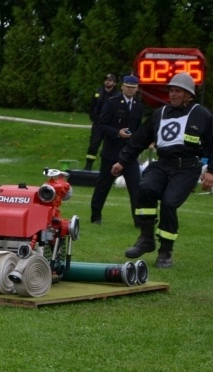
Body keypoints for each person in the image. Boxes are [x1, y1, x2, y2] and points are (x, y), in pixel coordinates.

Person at [112, 72, 213, 268]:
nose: (173, 95)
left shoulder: (202, 115)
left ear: (189, 95)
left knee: (169, 203)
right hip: (162, 164)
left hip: (187, 168)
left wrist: (211, 171)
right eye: (171, 91)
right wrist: (122, 161)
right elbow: (139, 139)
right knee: (145, 188)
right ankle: (146, 238)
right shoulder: (160, 113)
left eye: (178, 91)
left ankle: (166, 251)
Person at [90, 74, 144, 226]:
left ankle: (139, 220)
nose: (130, 90)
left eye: (133, 88)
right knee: (103, 186)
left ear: (137, 89)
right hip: (112, 152)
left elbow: (138, 128)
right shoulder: (112, 103)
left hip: (129, 154)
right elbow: (102, 125)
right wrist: (117, 132)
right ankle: (95, 216)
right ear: (122, 86)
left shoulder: (139, 106)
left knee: (136, 188)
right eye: (128, 87)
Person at [85, 73, 118, 170]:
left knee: (110, 147)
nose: (107, 81)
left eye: (110, 80)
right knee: (93, 145)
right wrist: (94, 119)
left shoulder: (117, 96)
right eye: (106, 79)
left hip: (110, 126)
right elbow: (92, 107)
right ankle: (88, 165)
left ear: (114, 83)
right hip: (98, 124)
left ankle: (108, 167)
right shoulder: (98, 93)